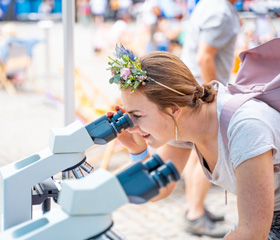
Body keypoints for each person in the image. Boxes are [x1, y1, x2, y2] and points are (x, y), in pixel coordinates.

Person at [107, 44, 280, 239]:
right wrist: (137, 150)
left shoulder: (245, 128)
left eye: (136, 116)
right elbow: (161, 188)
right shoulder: (184, 120)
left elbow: (252, 232)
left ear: (173, 109)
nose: (131, 127)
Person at [180, 0, 240, 236]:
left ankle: (194, 209)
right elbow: (206, 57)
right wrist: (214, 96)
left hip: (191, 86)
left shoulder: (210, 4)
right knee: (210, 155)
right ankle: (195, 215)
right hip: (201, 89)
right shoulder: (221, 12)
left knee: (197, 156)